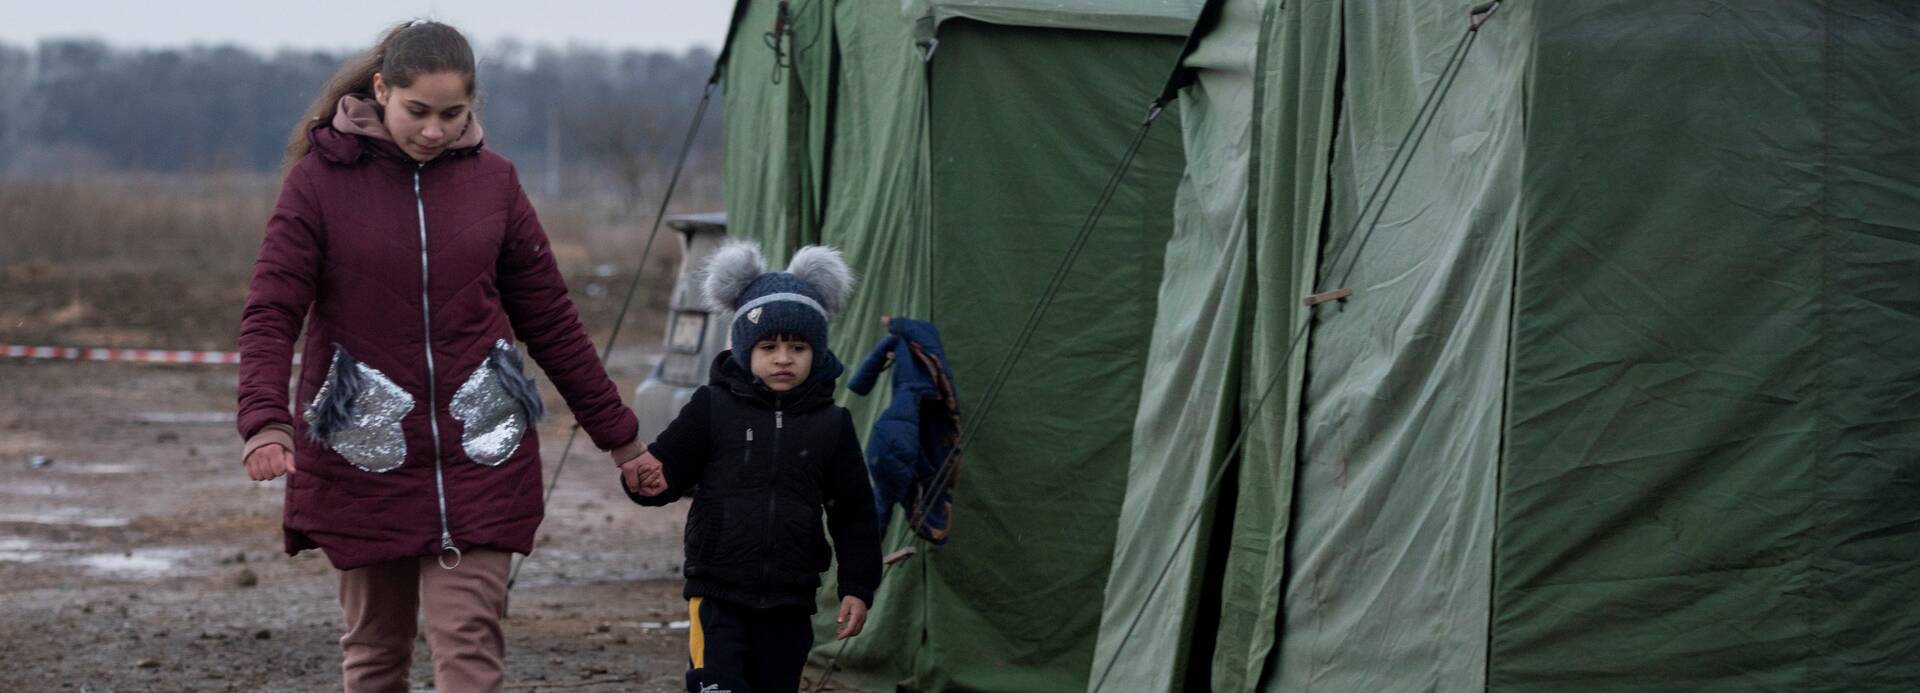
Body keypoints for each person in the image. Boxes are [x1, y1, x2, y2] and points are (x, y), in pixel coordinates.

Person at [235, 19, 647, 692]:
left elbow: (551, 320)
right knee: (374, 657)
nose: (433, 130)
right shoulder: (318, 183)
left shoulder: (497, 185)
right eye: (417, 112)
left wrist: (622, 439)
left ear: (472, 105)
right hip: (362, 457)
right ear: (380, 91)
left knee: (470, 652)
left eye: (452, 114)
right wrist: (264, 419)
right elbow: (271, 310)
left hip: (483, 453)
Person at [622, 240, 883, 693]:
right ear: (745, 350)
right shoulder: (712, 407)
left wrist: (857, 586)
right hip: (717, 592)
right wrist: (645, 480)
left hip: (790, 597)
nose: (783, 358)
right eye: (769, 346)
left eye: (798, 346)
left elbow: (854, 512)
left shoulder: (831, 425)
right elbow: (665, 471)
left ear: (816, 352)